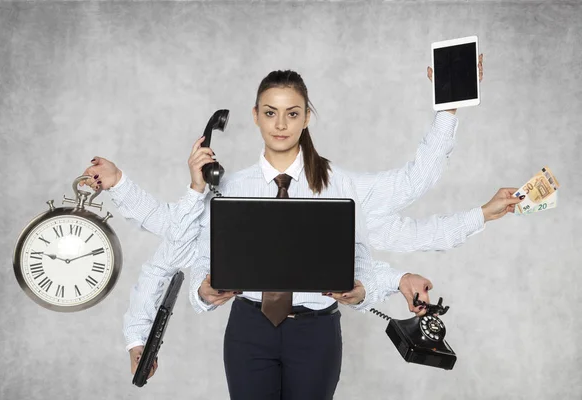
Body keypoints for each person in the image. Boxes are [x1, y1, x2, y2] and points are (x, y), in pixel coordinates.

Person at [123, 70, 437, 400]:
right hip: (249, 330)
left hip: (316, 332)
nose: (281, 125)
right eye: (270, 113)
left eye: (292, 114)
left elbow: (357, 263)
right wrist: (203, 290)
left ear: (307, 118)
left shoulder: (338, 185)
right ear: (256, 116)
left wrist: (393, 280)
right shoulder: (229, 188)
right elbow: (202, 256)